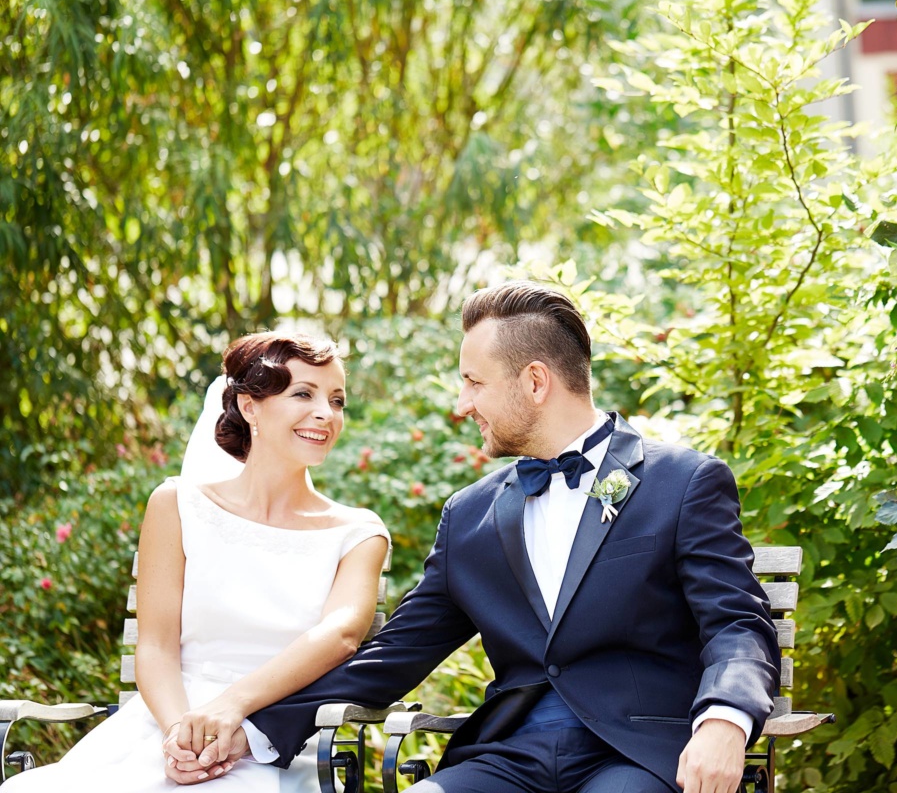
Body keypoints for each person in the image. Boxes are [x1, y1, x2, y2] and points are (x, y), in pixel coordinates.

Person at [177, 282, 780, 793]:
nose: (462, 403)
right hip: (510, 755)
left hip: (640, 753)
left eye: (475, 382)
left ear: (536, 381)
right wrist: (255, 726)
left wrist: (724, 721)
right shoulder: (471, 515)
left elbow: (736, 623)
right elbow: (395, 654)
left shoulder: (682, 482)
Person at [3, 332, 390, 792]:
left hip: (269, 737)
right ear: (250, 407)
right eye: (302, 394)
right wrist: (177, 735)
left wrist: (232, 709)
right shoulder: (176, 505)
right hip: (164, 723)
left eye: (337, 400)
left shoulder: (358, 533)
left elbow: (342, 636)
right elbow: (156, 648)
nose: (326, 414)